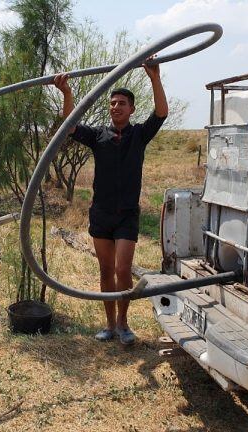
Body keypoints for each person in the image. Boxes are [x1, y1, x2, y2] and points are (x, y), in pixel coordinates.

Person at [52, 60, 168, 345]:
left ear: (131, 109)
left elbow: (161, 113)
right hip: (101, 213)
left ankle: (123, 323)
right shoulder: (98, 135)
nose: (116, 107)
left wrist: (154, 77)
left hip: (127, 214)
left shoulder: (139, 134)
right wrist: (66, 93)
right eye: (112, 103)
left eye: (121, 103)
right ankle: (109, 325)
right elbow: (70, 126)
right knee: (105, 270)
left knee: (122, 270)